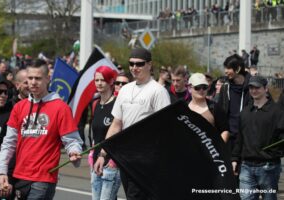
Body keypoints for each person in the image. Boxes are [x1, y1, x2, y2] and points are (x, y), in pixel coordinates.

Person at [0, 59, 83, 200]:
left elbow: (72, 140)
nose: (33, 82)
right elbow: (9, 142)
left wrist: (74, 151)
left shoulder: (60, 107)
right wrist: (1, 171)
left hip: (43, 180)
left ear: (48, 79)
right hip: (19, 176)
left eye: (38, 78)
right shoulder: (19, 107)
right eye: (30, 78)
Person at [94, 48, 171, 200]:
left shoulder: (158, 91)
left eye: (139, 64)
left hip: (147, 159)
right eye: (131, 64)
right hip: (126, 158)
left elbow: (166, 126)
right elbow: (116, 124)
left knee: (135, 196)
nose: (134, 68)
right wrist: (103, 154)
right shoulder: (125, 90)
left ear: (149, 65)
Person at [232, 76, 284, 200]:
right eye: (251, 87)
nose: (254, 90)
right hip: (246, 166)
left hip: (269, 166)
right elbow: (240, 137)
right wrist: (235, 158)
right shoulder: (245, 112)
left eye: (257, 87)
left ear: (266, 89)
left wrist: (272, 153)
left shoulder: (277, 112)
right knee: (246, 198)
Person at [90, 66, 121, 200]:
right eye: (97, 80)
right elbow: (95, 133)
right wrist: (91, 155)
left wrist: (114, 161)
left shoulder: (118, 103)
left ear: (110, 81)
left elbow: (120, 133)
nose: (99, 83)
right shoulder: (95, 104)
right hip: (96, 162)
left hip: (111, 164)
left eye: (103, 80)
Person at [218, 54, 251, 150]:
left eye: (228, 68)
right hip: (229, 138)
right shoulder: (225, 87)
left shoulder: (253, 87)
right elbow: (220, 112)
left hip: (246, 139)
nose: (225, 71)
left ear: (237, 69)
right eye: (225, 68)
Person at [188, 73, 229, 142]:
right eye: (197, 87)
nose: (201, 90)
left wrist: (219, 149)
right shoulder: (183, 107)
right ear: (189, 88)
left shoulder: (214, 107)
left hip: (210, 151)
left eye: (204, 87)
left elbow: (225, 131)